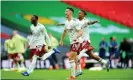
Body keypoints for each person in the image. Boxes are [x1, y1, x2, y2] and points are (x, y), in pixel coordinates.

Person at [59, 7, 83, 80]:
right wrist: (61, 40)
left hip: (77, 41)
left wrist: (76, 37)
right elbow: (64, 32)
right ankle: (79, 71)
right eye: (65, 11)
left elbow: (81, 31)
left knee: (70, 58)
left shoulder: (75, 22)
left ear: (71, 13)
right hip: (73, 42)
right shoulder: (66, 22)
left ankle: (73, 77)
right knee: (75, 58)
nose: (65, 12)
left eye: (67, 11)